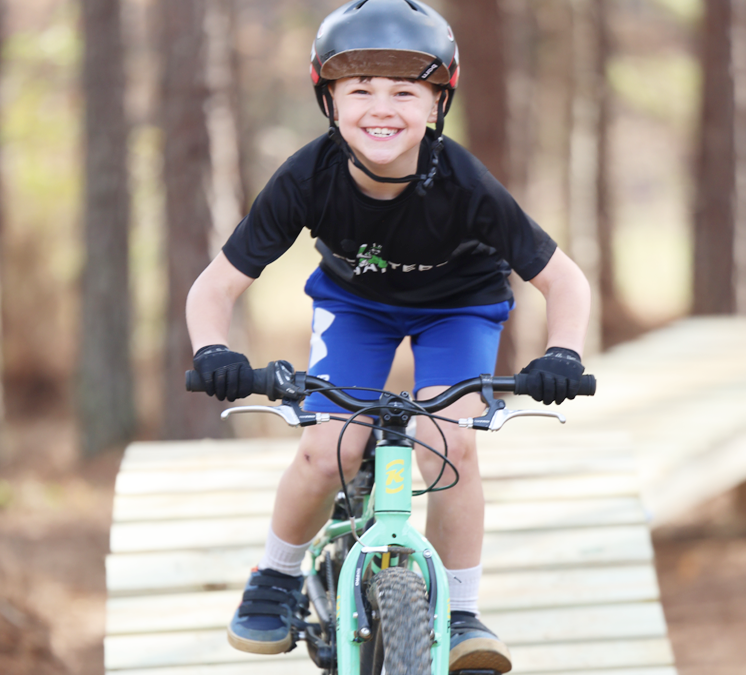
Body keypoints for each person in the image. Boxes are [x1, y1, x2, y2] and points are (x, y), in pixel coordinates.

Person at [186, 0, 590, 671]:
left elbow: (565, 282)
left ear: (438, 103)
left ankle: (460, 613)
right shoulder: (307, 177)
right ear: (328, 99)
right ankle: (276, 575)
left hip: (458, 307)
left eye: (405, 90)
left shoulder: (464, 183)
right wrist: (214, 350)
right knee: (327, 450)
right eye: (360, 89)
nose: (383, 107)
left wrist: (564, 352)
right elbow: (215, 287)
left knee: (449, 442)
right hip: (356, 306)